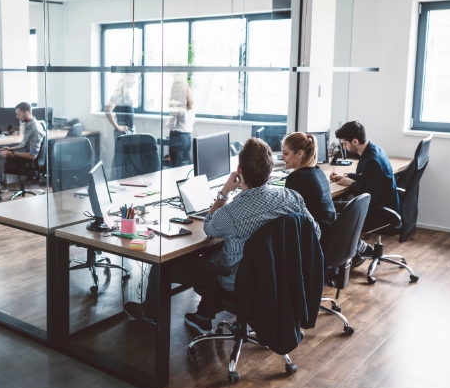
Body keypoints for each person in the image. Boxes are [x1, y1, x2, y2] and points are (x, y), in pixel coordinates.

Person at [125, 138, 320, 334]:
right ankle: (202, 317)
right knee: (220, 251)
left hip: (240, 281)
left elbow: (209, 228)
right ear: (269, 171)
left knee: (162, 268)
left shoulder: (232, 213)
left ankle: (150, 313)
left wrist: (224, 192)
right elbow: (315, 233)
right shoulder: (292, 197)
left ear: (239, 171)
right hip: (282, 276)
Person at [330, 121, 400, 267]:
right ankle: (357, 252)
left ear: (355, 141)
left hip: (379, 212)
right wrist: (347, 176)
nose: (344, 147)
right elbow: (367, 177)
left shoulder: (372, 160)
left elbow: (370, 197)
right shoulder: (372, 150)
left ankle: (353, 254)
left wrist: (350, 183)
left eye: (344, 143)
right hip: (382, 205)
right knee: (331, 206)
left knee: (332, 214)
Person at [281, 132, 337, 247]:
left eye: (285, 153)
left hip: (316, 240)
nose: (282, 157)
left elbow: (286, 214)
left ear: (300, 153)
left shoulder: (297, 178)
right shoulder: (317, 171)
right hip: (330, 234)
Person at [166, 79, 195, 168]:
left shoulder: (176, 104)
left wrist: (166, 123)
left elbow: (172, 124)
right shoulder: (190, 104)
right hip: (188, 137)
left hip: (177, 137)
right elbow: (193, 121)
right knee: (186, 166)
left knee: (176, 167)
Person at [104, 74, 137, 138]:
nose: (134, 81)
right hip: (123, 133)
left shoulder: (126, 94)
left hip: (128, 131)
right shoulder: (119, 94)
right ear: (126, 79)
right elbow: (107, 110)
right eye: (133, 77)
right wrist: (117, 127)